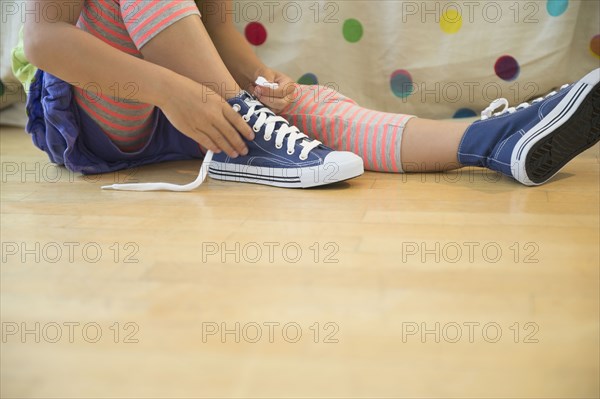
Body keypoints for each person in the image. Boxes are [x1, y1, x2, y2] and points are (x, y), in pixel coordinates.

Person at [17, 0, 600, 190]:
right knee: (263, 116)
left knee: (312, 107)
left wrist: (265, 85)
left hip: (195, 109)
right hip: (108, 107)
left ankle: (495, 141)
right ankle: (253, 141)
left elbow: (215, 29)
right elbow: (44, 40)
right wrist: (171, 91)